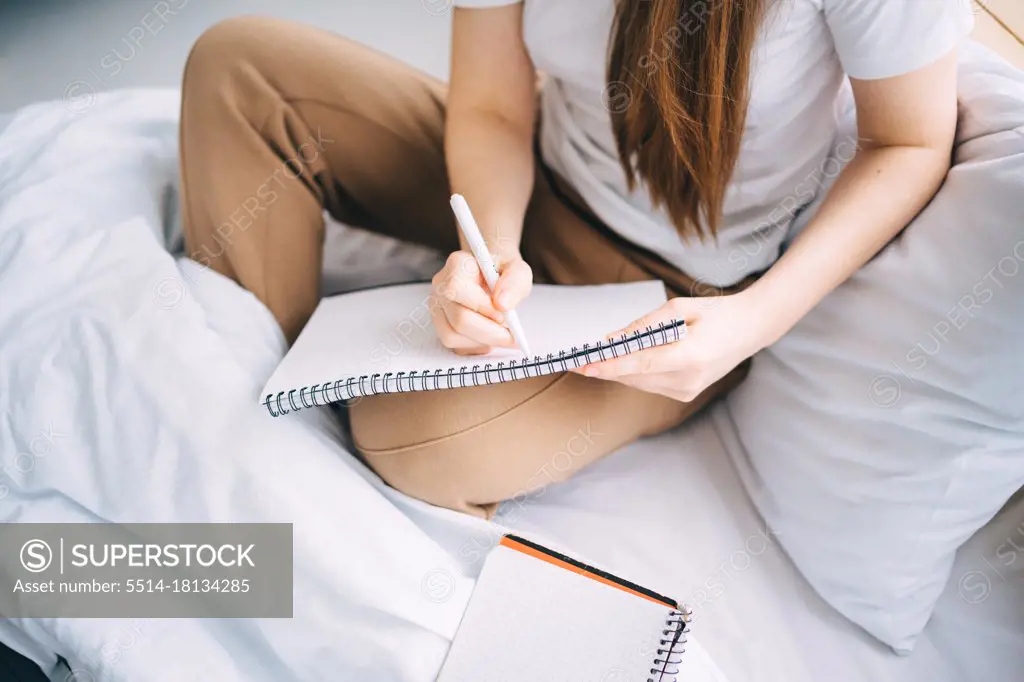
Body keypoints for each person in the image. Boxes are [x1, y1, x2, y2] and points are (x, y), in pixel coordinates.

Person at [179, 1, 971, 517]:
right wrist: (489, 252)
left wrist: (751, 323)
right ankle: (260, 400)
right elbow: (491, 104)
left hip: (675, 294)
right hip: (532, 179)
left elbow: (906, 141)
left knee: (402, 427)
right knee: (240, 65)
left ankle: (286, 440)